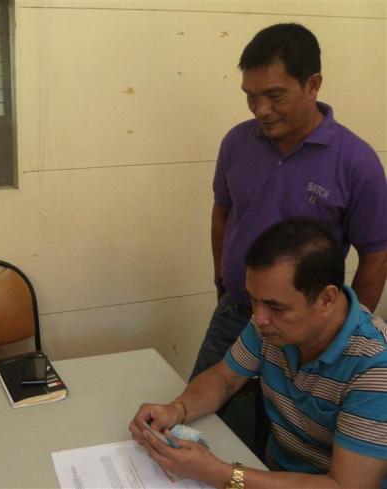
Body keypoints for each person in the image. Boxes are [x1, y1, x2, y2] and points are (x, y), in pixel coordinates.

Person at [192, 23, 387, 380]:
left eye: (275, 96)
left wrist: (343, 334)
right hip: (234, 314)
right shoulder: (237, 142)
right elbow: (222, 212)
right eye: (251, 96)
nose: (261, 110)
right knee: (202, 402)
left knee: (289, 416)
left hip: (305, 332)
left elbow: (376, 257)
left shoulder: (356, 162)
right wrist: (222, 277)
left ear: (313, 85)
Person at [131, 218, 387, 488]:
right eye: (253, 300)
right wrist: (176, 410)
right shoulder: (271, 326)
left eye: (275, 307)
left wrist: (220, 474)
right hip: (271, 472)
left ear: (326, 299)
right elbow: (224, 379)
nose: (258, 318)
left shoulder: (376, 368)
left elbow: (345, 486)